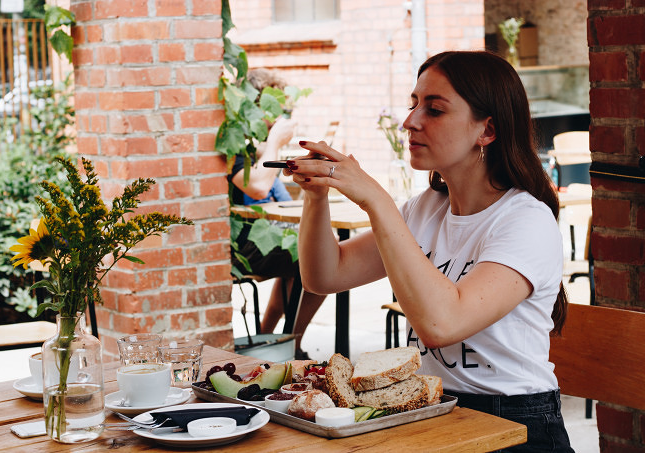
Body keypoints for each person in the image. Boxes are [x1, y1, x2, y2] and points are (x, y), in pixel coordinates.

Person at [284, 51, 573, 452]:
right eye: (413, 104)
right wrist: (316, 197)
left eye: (434, 110)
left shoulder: (526, 220)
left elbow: (441, 325)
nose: (410, 121)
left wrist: (376, 200)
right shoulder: (425, 209)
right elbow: (325, 275)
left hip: (514, 423)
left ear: (487, 130)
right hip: (432, 408)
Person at [230, 68, 326, 360]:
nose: (280, 118)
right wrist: (273, 143)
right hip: (236, 244)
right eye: (276, 110)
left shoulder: (251, 144)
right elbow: (258, 186)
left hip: (255, 233)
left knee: (312, 252)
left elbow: (276, 193)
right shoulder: (235, 142)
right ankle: (289, 346)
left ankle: (276, 340)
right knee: (320, 260)